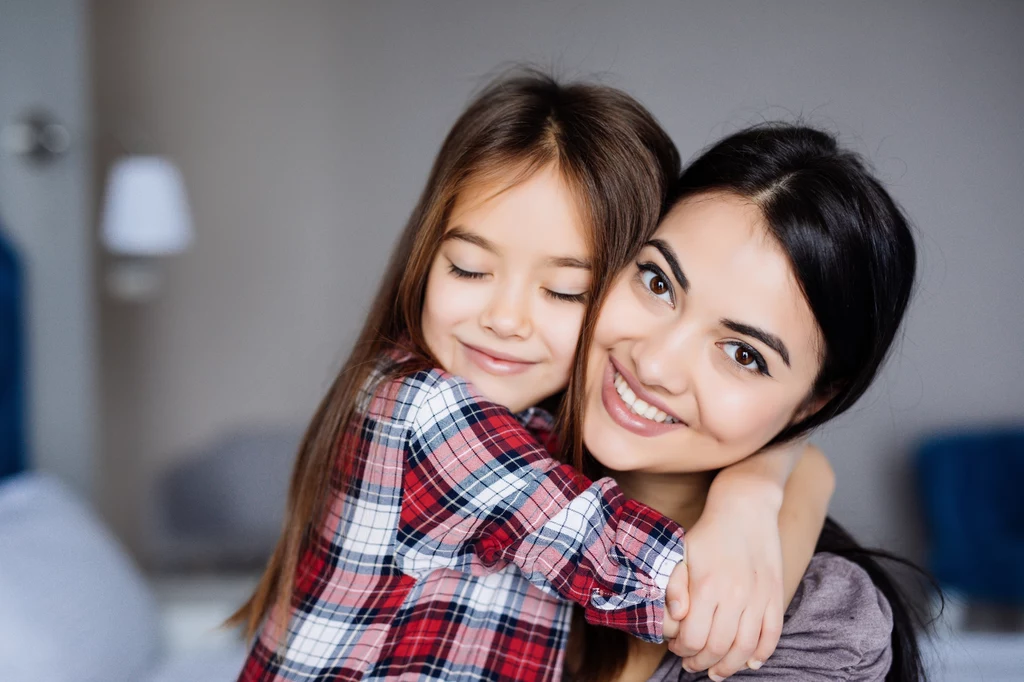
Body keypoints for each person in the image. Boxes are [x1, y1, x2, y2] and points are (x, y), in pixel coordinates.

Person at [230, 73, 833, 682]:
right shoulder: (427, 413)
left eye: (563, 290)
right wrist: (770, 483)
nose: (505, 319)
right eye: (468, 269)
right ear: (425, 255)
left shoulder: (534, 427)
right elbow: (695, 599)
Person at [564, 124, 926, 681]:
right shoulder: (468, 463)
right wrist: (760, 484)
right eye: (658, 283)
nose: (655, 365)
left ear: (811, 405)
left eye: (743, 354)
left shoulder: (816, 627)